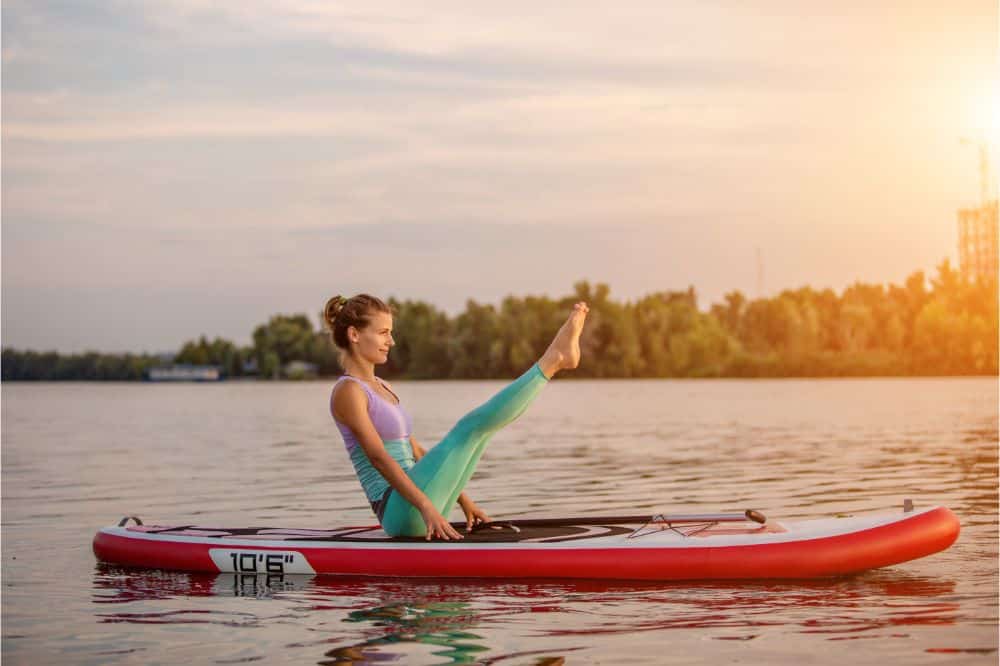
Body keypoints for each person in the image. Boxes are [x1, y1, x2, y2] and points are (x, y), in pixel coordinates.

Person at [324, 294, 589, 540]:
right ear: (354, 334)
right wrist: (427, 508)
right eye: (383, 333)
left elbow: (415, 451)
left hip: (416, 500)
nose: (391, 341)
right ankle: (553, 360)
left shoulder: (383, 386)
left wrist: (463, 500)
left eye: (390, 333)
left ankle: (555, 361)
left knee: (481, 433)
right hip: (399, 510)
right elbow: (379, 458)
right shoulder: (349, 391)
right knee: (469, 428)